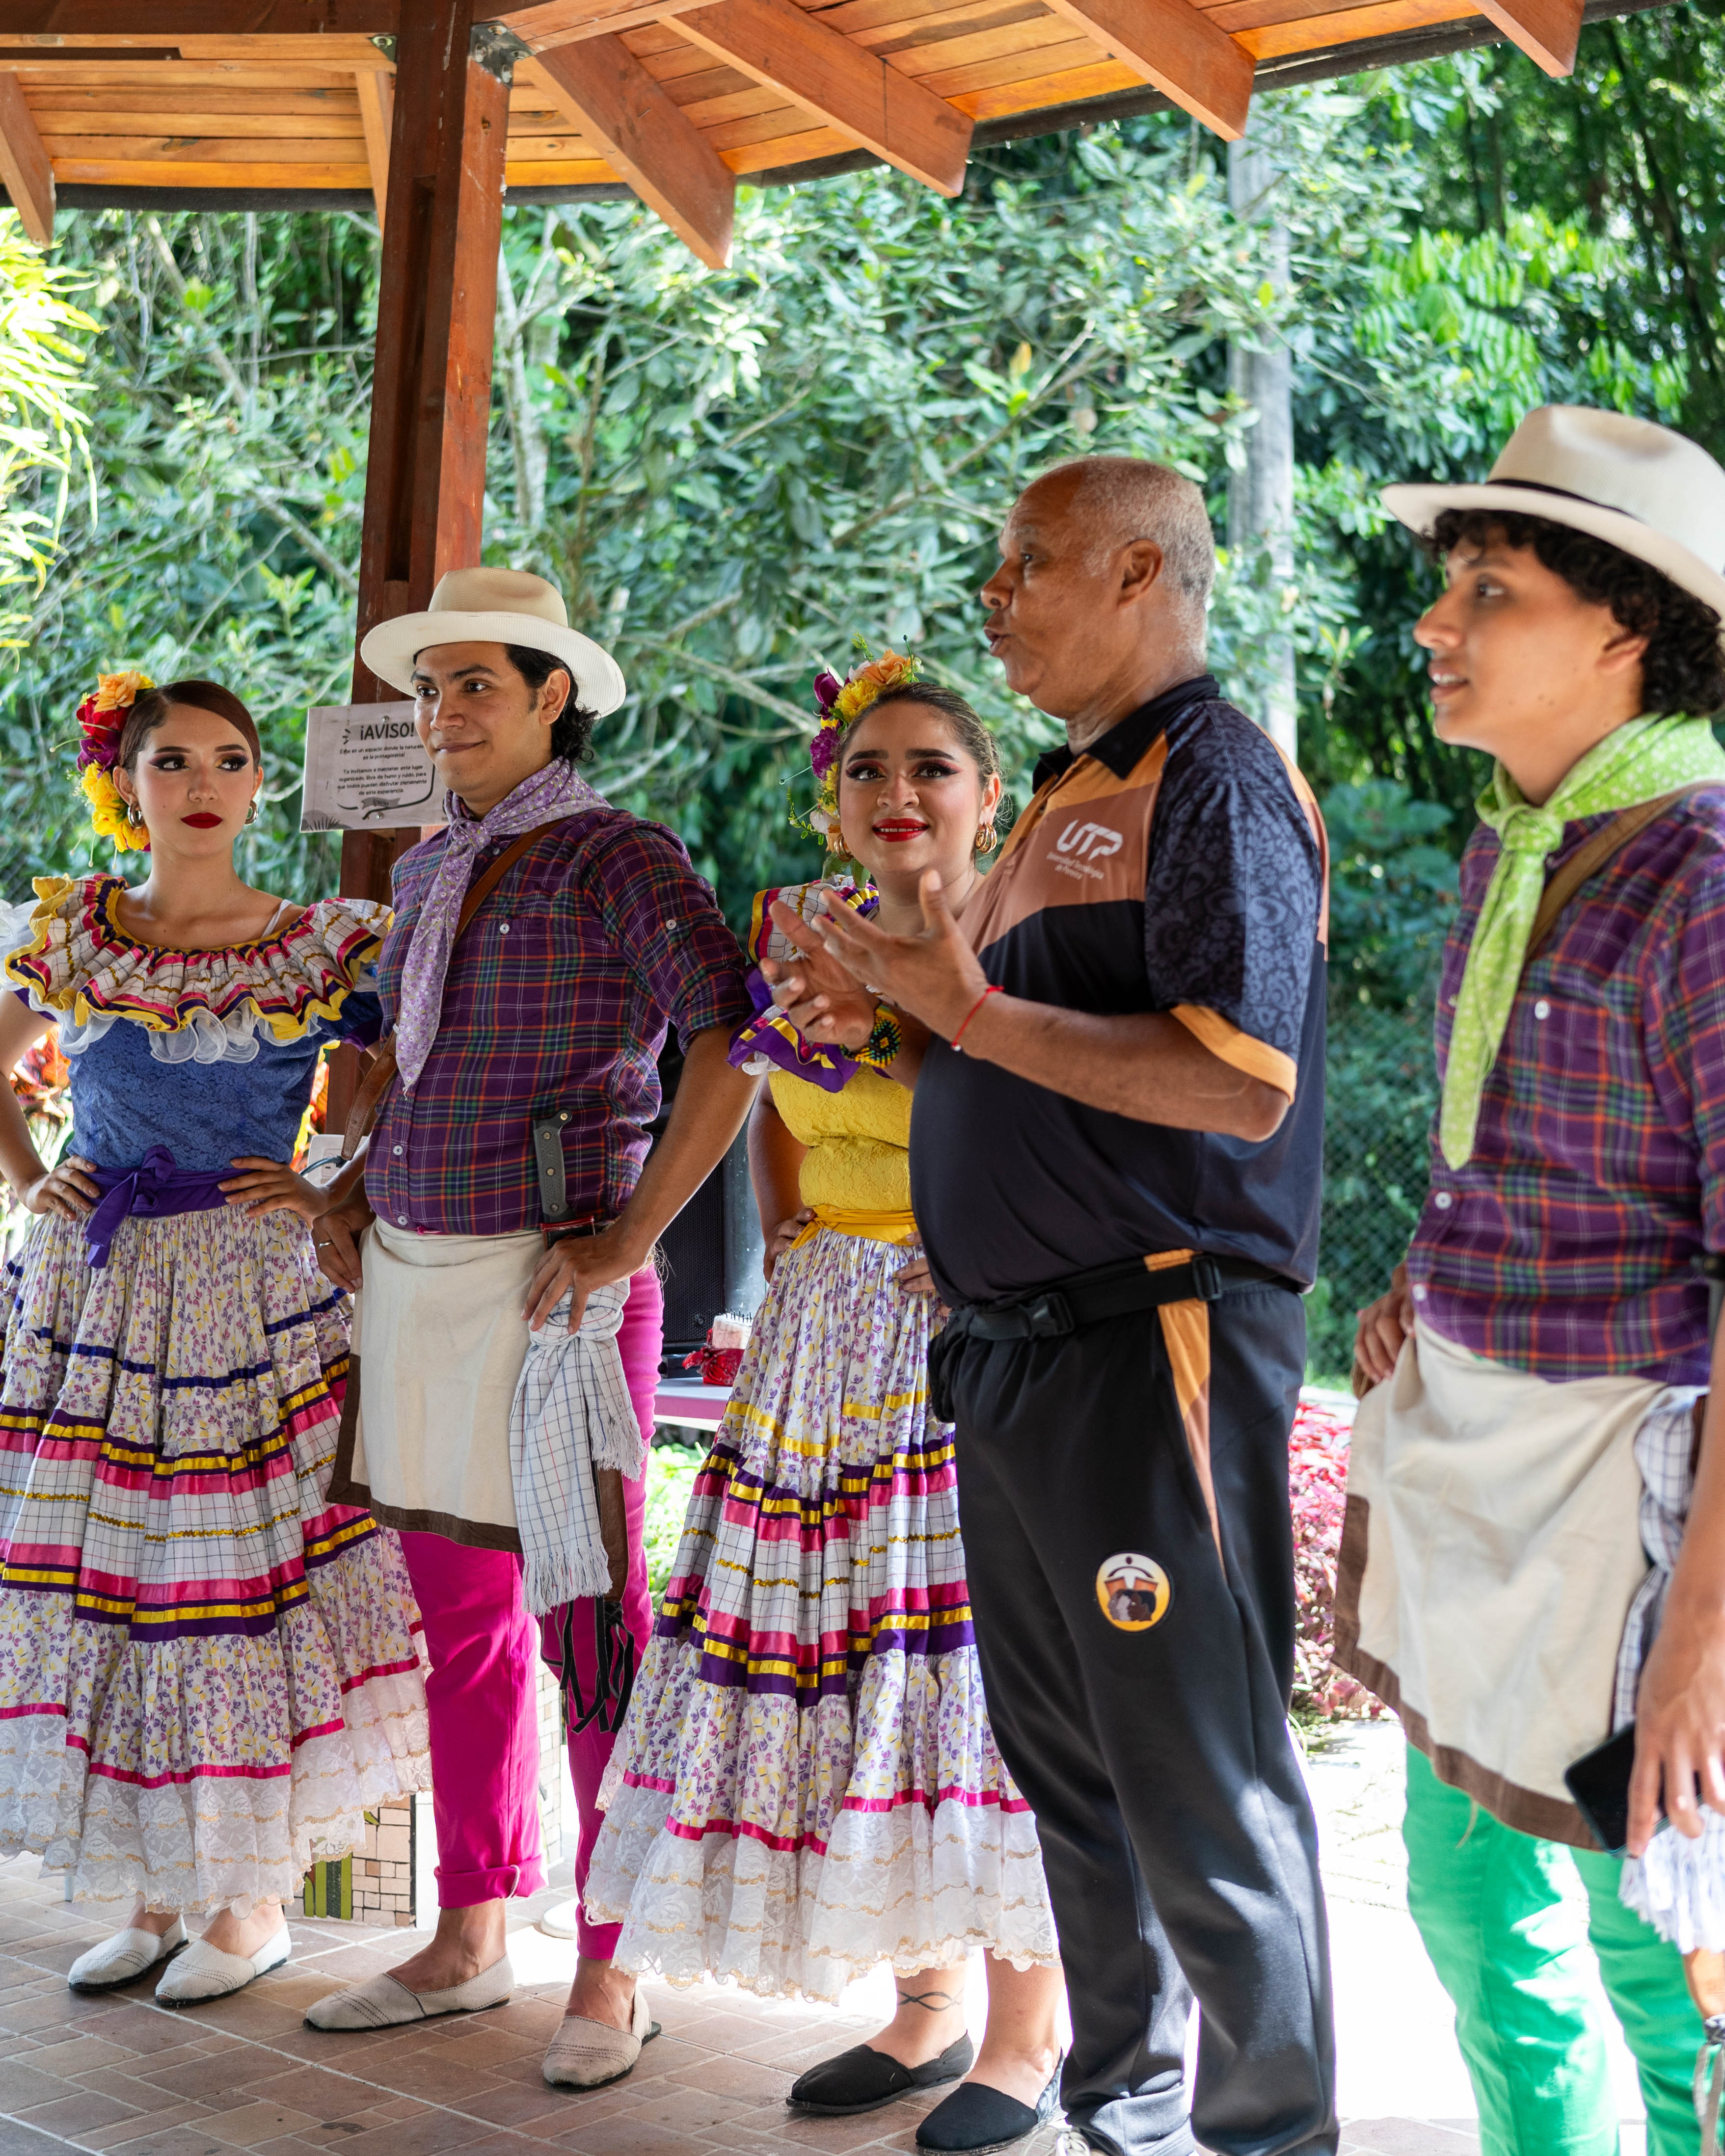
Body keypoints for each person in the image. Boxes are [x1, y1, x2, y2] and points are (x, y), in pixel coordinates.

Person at [771, 457, 1336, 2156]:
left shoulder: (1211, 776)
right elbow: (1025, 1053)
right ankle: (1126, 2106)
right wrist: (897, 1007)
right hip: (1015, 1354)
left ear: (1142, 569)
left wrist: (964, 1010)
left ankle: (1268, 2134)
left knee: (1195, 1767)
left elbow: (1236, 1078)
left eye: (1028, 564)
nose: (996, 593)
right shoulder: (1065, 796)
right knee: (1076, 1767)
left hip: (1145, 1331)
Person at [586, 655, 1065, 2152]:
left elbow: (1017, 1109)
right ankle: (920, 2003)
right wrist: (791, 1232)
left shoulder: (1028, 932)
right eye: (867, 770)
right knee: (843, 1654)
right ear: (832, 794)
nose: (898, 794)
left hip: (961, 1318)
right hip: (821, 1334)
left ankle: (1028, 2029)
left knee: (970, 1675)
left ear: (989, 794)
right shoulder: (794, 921)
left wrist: (908, 1029)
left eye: (932, 767)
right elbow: (764, 1089)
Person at [299, 568, 758, 2094]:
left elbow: (734, 1038)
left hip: (561, 1286)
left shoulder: (618, 855)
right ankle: (469, 1929)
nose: (443, 715)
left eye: (476, 685)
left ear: (554, 694)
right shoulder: (427, 867)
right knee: (464, 1624)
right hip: (419, 1274)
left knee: (587, 1627)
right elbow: (394, 1058)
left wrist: (633, 1238)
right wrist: (351, 1189)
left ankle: (609, 1967)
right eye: (430, 691)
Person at [1342, 405, 1725, 2156]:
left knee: (1668, 1948)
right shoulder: (1519, 847)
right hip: (1486, 1471)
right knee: (1467, 1903)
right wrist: (1435, 1267)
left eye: (1488, 589)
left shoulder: (1703, 881)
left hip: (1627, 1504)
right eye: (1449, 590)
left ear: (1623, 626)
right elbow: (1511, 1144)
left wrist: (1702, 1645)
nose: (1436, 626)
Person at [0, 672, 429, 2005]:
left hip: (256, 1289)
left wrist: (334, 1190)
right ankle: (152, 1888)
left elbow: (424, 1072)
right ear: (124, 783)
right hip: (102, 1289)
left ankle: (247, 1899)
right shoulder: (72, 932)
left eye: (227, 759)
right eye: (170, 758)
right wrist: (30, 1174)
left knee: (237, 1588)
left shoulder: (326, 942)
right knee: (120, 1584)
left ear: (259, 785)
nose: (200, 781)